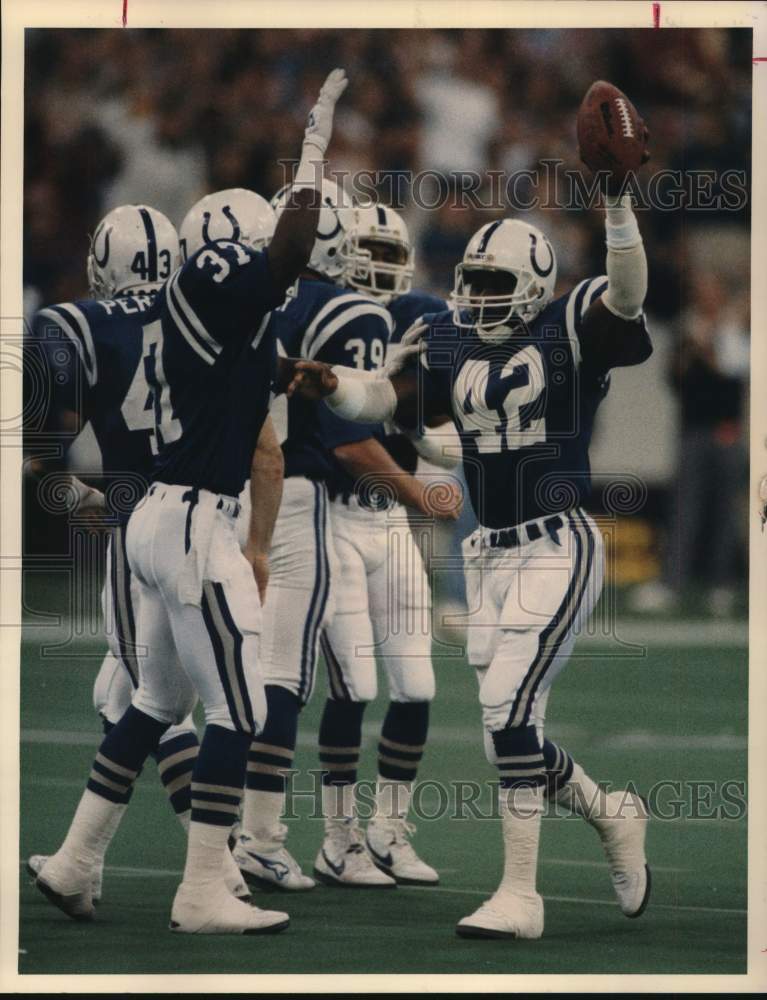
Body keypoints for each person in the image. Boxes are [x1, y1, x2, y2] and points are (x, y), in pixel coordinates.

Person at [287, 188, 654, 939]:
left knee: (508, 713)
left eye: (493, 284)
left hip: (556, 543)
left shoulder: (569, 324)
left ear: (532, 285)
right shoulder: (449, 339)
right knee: (505, 732)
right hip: (490, 555)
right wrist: (330, 382)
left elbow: (625, 293)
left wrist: (616, 206)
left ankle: (520, 896)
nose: (477, 295)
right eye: (473, 281)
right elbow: (385, 396)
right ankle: (611, 813)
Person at [33, 67, 349, 936]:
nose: (282, 273)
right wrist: (314, 152)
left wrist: (297, 374)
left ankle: (73, 861)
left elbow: (241, 367)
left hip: (156, 520)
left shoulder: (208, 317)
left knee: (151, 706)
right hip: (191, 524)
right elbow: (281, 257)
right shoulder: (220, 278)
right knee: (242, 709)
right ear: (225, 251)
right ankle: (203, 888)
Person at [25, 204, 251, 903]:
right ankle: (81, 863)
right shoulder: (203, 311)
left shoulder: (74, 325)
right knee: (125, 694)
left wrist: (77, 496)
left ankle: (225, 867)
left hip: (144, 530)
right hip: (214, 515)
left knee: (162, 702)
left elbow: (42, 451)